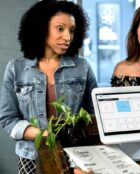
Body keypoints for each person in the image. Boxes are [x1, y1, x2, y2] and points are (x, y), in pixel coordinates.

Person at [0, 0, 97, 173]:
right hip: (30, 156)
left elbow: (93, 116)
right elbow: (8, 120)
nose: (68, 37)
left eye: (72, 30)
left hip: (74, 157)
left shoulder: (83, 67)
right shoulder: (16, 69)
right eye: (60, 28)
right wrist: (45, 136)